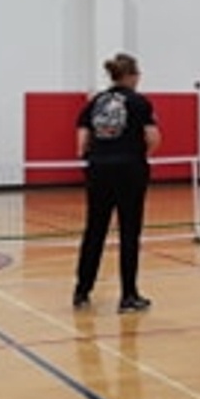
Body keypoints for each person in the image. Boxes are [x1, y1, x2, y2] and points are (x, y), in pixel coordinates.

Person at [74, 53, 161, 313]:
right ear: (132, 76)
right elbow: (153, 139)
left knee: (94, 231)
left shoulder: (94, 103)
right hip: (130, 171)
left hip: (99, 170)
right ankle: (128, 295)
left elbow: (81, 146)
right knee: (129, 232)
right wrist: (135, 154)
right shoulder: (140, 102)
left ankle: (81, 291)